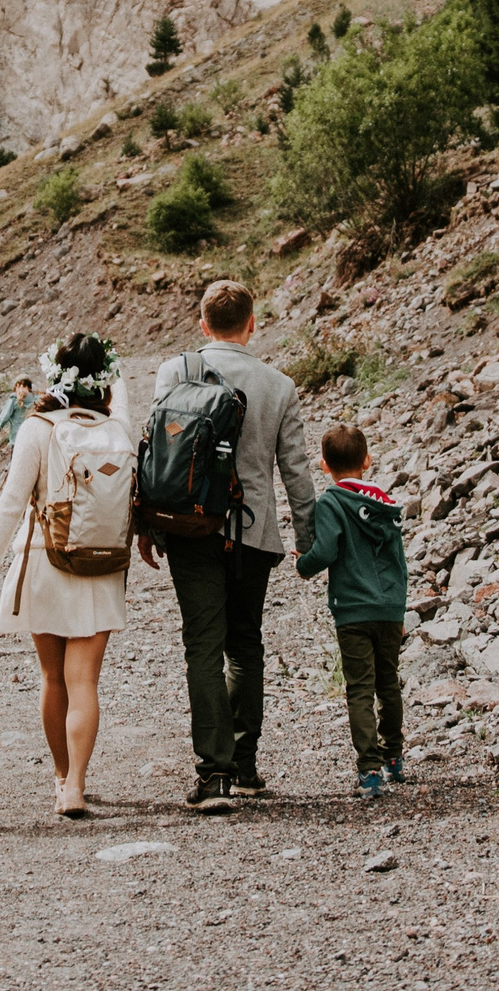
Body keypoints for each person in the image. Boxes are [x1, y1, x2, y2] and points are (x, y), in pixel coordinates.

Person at [139, 278, 315, 811]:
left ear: (201, 322)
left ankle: (212, 776)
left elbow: (155, 452)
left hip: (192, 527)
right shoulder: (279, 385)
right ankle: (244, 766)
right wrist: (308, 537)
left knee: (202, 645)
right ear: (252, 323)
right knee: (245, 644)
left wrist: (148, 525)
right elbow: (297, 471)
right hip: (255, 530)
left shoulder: (175, 371)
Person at [0, 333, 136, 819]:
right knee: (85, 681)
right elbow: (121, 397)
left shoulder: (37, 429)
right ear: (104, 381)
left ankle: (61, 777)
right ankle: (79, 785)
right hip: (101, 565)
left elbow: (11, 505)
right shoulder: (119, 430)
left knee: (52, 677)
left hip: (44, 560)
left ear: (54, 376)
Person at [294, 424, 409, 795]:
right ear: (368, 461)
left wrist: (303, 563)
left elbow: (326, 551)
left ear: (324, 466)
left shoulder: (331, 502)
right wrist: (398, 606)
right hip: (389, 608)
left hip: (353, 611)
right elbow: (399, 562)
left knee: (360, 687)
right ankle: (394, 756)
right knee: (388, 682)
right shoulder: (387, 504)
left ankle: (370, 769)